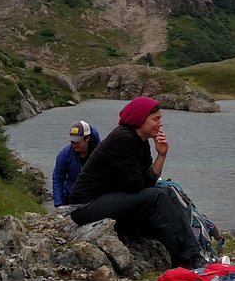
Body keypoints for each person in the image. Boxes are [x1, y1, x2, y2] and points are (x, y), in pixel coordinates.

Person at [67, 96, 205, 268]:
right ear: (141, 119)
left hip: (106, 198)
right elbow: (136, 187)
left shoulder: (141, 141)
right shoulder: (122, 139)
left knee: (167, 192)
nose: (160, 124)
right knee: (157, 196)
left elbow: (146, 184)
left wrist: (161, 155)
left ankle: (192, 253)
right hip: (85, 206)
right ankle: (189, 258)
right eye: (156, 119)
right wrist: (149, 186)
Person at [52, 120, 101, 208]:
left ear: (87, 139)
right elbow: (58, 179)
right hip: (71, 198)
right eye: (72, 141)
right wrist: (59, 204)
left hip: (94, 199)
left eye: (77, 141)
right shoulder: (65, 154)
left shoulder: (99, 154)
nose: (74, 144)